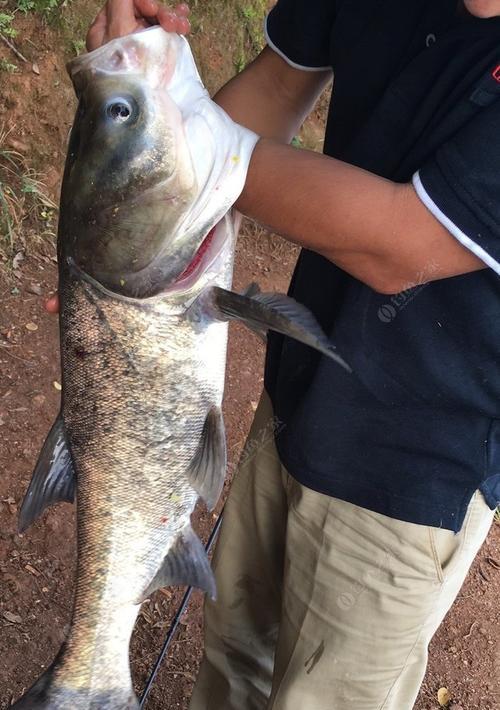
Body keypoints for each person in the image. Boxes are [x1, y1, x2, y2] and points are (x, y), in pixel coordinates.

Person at [52, 1, 500, 707]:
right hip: (297, 398)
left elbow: (401, 245)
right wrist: (161, 94)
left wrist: (176, 146)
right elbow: (279, 87)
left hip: (418, 467)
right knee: (235, 654)